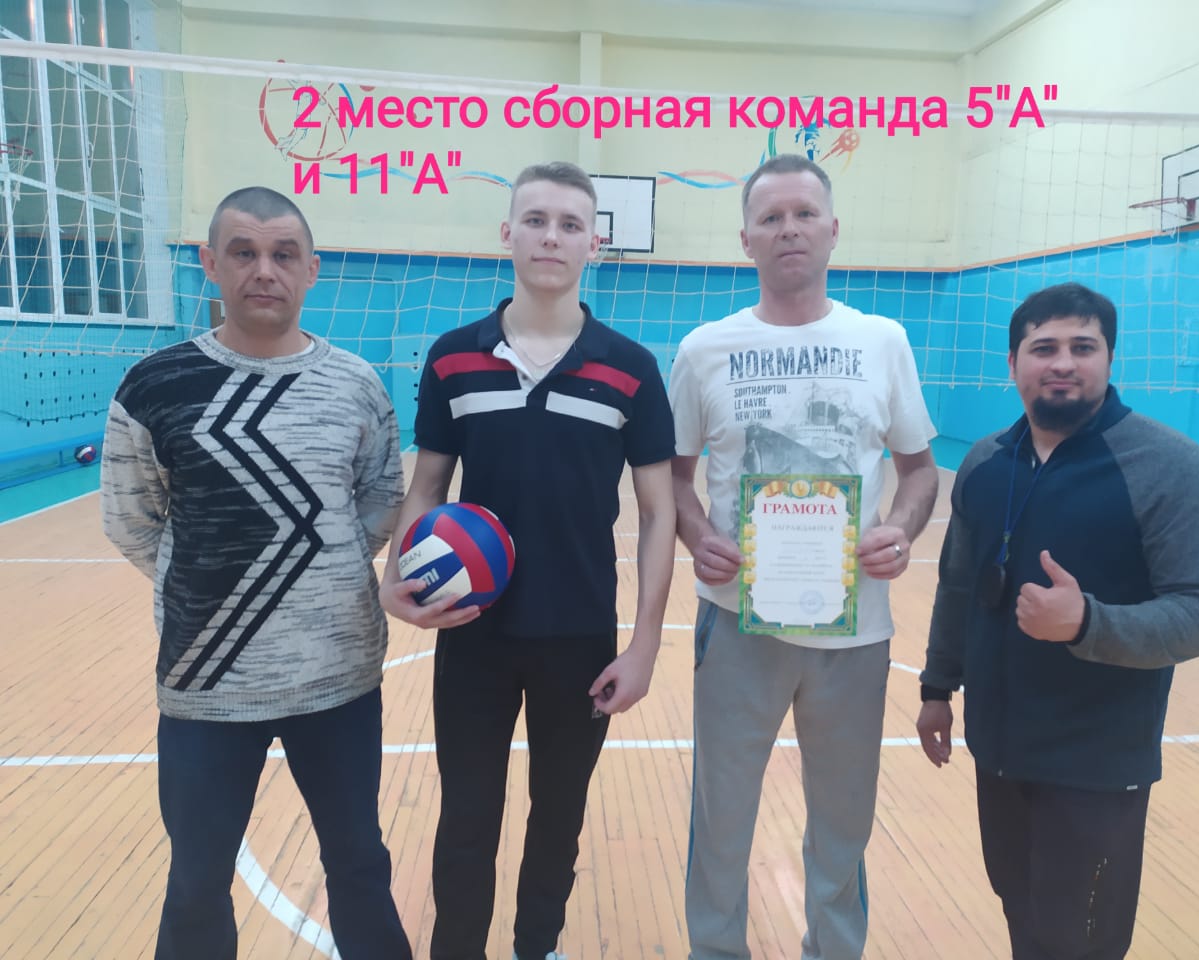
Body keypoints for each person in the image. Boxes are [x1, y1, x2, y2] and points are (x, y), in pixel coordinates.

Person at [100, 187, 412, 960]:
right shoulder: (154, 384)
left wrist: (323, 576)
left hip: (338, 680)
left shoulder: (357, 383)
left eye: (282, 254)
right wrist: (207, 583)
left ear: (311, 269)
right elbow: (132, 519)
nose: (263, 270)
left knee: (360, 866)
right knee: (196, 882)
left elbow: (381, 499)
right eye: (243, 252)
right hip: (205, 683)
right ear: (211, 264)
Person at [379, 161, 677, 960]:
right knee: (466, 819)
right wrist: (393, 578)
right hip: (471, 630)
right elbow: (428, 486)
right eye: (537, 220)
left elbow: (659, 512)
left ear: (594, 244)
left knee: (558, 819)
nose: (552, 237)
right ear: (507, 233)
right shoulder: (454, 358)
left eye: (570, 224)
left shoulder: (631, 368)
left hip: (580, 638)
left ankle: (535, 946)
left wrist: (645, 645)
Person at [669, 154, 940, 960]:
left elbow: (920, 471)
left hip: (855, 634)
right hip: (736, 626)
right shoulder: (704, 350)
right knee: (722, 819)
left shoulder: (882, 341)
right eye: (771, 217)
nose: (789, 229)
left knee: (843, 822)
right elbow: (672, 480)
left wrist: (902, 529)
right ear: (746, 239)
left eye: (804, 214)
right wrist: (698, 535)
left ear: (832, 230)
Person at [915, 282, 1199, 960]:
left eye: (1082, 347)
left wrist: (1089, 622)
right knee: (1022, 913)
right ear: (1014, 363)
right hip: (998, 749)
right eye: (1044, 348)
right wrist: (938, 686)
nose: (1062, 363)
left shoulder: (1173, 468)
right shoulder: (984, 462)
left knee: (1081, 940)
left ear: (1110, 358)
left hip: (1098, 763)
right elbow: (960, 585)